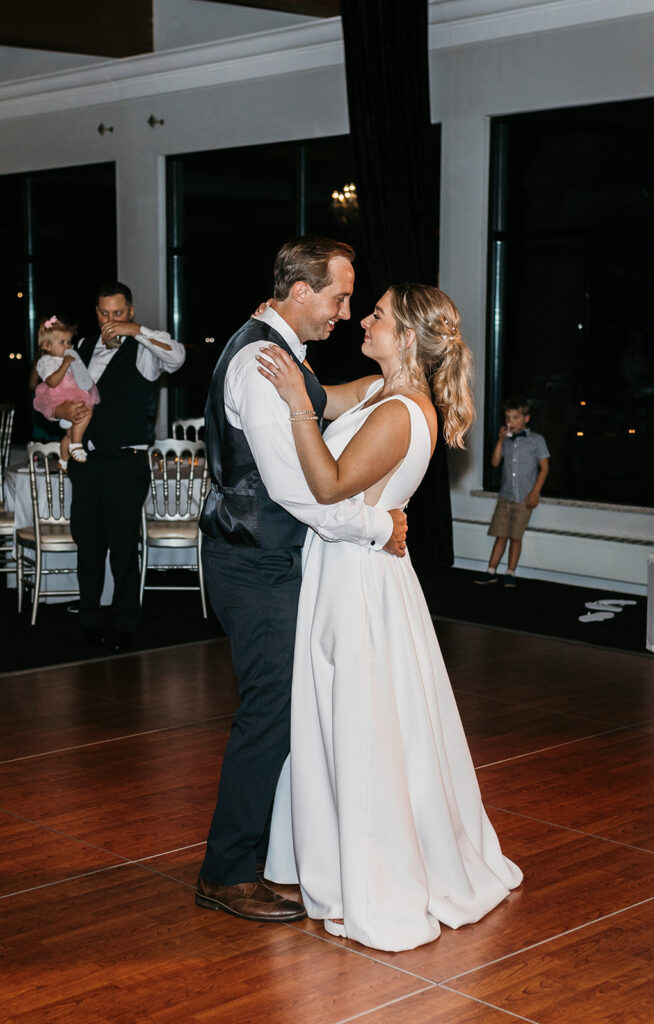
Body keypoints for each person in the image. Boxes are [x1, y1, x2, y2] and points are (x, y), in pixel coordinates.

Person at [259, 283, 523, 952]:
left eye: (375, 314)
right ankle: (336, 856)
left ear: (406, 337)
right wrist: (289, 359)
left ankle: (377, 876)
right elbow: (328, 397)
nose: (364, 321)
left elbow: (327, 483)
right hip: (350, 564)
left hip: (359, 580)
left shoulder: (403, 412)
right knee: (351, 713)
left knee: (363, 720)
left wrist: (295, 409)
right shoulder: (378, 391)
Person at [195, 237, 408, 925]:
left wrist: (391, 380)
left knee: (280, 710)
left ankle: (266, 853)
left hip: (262, 561)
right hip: (252, 565)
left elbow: (323, 402)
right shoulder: (263, 366)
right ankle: (226, 873)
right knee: (269, 713)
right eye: (339, 297)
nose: (346, 313)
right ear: (298, 292)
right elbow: (296, 491)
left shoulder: (281, 352)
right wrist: (379, 528)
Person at [52, 282, 186, 651]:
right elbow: (65, 402)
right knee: (88, 544)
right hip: (87, 460)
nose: (110, 320)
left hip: (126, 461)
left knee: (123, 546)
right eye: (104, 314)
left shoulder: (143, 350)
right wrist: (63, 418)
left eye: (118, 313)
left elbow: (177, 357)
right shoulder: (79, 349)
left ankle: (125, 624)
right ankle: (91, 619)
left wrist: (137, 332)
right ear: (96, 313)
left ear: (130, 311)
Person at [475, 397, 549, 588]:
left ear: (526, 418)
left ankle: (510, 572)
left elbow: (545, 468)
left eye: (515, 417)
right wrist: (500, 440)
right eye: (507, 418)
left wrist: (535, 492)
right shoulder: (506, 441)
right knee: (501, 535)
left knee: (516, 537)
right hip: (505, 497)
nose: (510, 422)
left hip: (524, 499)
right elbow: (494, 462)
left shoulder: (536, 440)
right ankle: (491, 571)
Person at [32, 315, 100, 470]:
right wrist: (65, 364)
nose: (67, 346)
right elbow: (52, 381)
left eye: (69, 342)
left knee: (70, 433)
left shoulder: (68, 357)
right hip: (59, 396)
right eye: (62, 342)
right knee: (86, 413)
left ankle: (64, 459)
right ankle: (77, 445)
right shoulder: (46, 361)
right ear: (47, 346)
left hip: (73, 393)